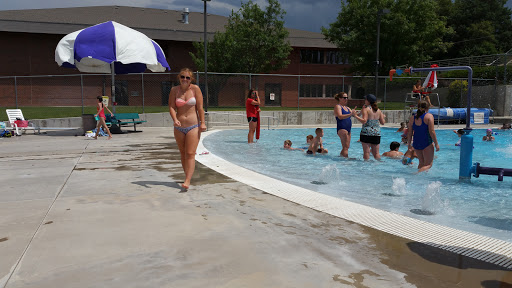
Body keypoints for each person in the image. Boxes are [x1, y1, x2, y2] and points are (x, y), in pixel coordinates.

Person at [169, 68, 207, 190]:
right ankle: (187, 175)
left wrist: (203, 123)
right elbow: (171, 107)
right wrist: (175, 119)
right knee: (182, 153)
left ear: (191, 79)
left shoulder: (195, 89)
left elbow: (200, 107)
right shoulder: (174, 90)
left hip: (193, 126)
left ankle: (187, 180)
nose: (185, 79)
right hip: (179, 126)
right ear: (179, 78)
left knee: (190, 153)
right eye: (182, 77)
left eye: (187, 77)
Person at [406, 100, 440, 172]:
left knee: (421, 163)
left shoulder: (413, 118)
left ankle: (421, 180)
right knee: (428, 165)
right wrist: (436, 143)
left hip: (416, 143)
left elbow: (410, 132)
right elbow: (432, 131)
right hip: (426, 143)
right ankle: (416, 174)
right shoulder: (429, 116)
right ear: (427, 108)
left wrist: (409, 143)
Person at [352, 94, 385, 160]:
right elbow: (383, 122)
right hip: (376, 133)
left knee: (366, 152)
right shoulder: (378, 110)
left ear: (368, 101)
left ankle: (366, 168)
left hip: (366, 132)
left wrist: (355, 116)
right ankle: (379, 165)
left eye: (365, 99)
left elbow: (364, 121)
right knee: (376, 153)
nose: (364, 100)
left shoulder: (366, 109)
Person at [333, 92, 353, 157]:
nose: (346, 99)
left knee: (347, 147)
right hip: (342, 128)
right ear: (340, 98)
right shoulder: (338, 106)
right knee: (345, 146)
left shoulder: (347, 108)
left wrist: (362, 111)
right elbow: (340, 116)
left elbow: (355, 115)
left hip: (348, 128)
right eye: (344, 98)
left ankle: (341, 158)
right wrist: (350, 114)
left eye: (347, 98)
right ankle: (345, 160)